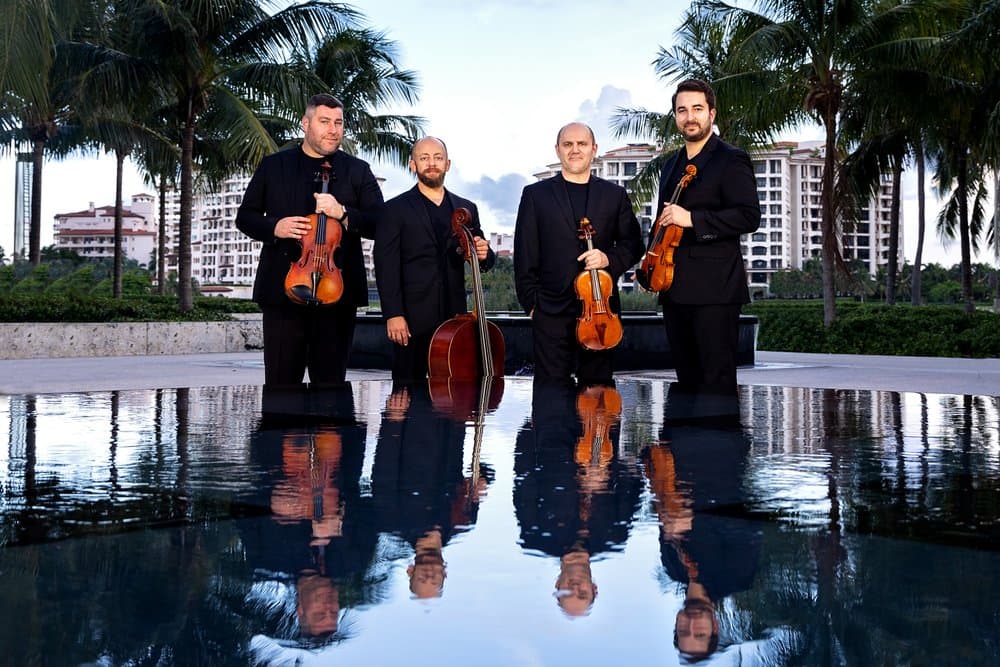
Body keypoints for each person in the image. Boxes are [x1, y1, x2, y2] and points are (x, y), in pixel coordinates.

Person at [236, 93, 384, 388]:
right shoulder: (274, 166)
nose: (333, 129)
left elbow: (380, 222)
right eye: (324, 121)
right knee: (280, 386)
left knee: (331, 389)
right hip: (282, 290)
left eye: (338, 123)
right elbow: (245, 216)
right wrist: (275, 226)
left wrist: (342, 213)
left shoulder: (358, 171)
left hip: (337, 293)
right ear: (306, 123)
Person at [514, 122, 643, 386]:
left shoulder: (614, 195)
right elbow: (524, 255)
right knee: (550, 401)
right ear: (558, 150)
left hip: (600, 315)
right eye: (568, 144)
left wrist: (608, 259)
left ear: (593, 149)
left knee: (598, 398)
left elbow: (634, 244)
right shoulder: (535, 195)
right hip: (550, 313)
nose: (575, 150)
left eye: (582, 144)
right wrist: (533, 307)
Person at [654, 79, 761, 397]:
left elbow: (748, 216)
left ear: (711, 113)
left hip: (716, 292)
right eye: (682, 110)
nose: (690, 117)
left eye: (697, 109)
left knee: (716, 385)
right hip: (674, 289)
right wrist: (651, 262)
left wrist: (693, 219)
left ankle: (721, 447)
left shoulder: (731, 159)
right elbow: (664, 221)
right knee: (686, 383)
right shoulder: (670, 165)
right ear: (675, 117)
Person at [374, 136, 495, 384]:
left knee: (455, 392)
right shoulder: (394, 209)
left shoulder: (466, 208)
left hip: (455, 318)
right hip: (411, 320)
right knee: (408, 394)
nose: (432, 163)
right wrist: (393, 314)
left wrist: (484, 254)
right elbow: (385, 265)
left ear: (447, 164)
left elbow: (482, 257)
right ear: (412, 165)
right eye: (424, 158)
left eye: (438, 158)